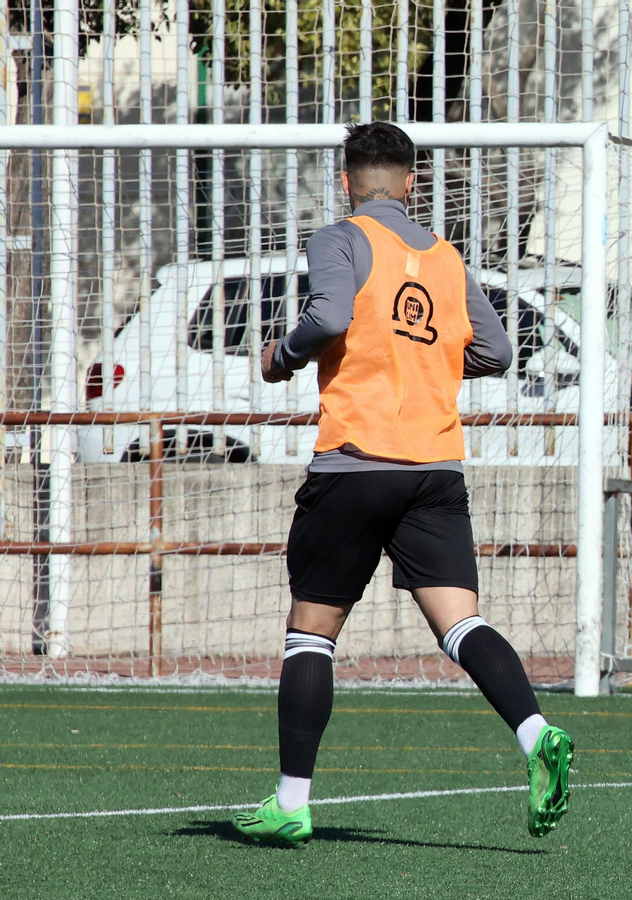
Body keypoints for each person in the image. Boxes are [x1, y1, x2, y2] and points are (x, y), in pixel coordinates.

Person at [231, 122, 573, 845]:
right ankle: (535, 731)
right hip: (435, 470)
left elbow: (327, 316)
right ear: (413, 182)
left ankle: (292, 801)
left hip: (357, 463)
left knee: (312, 632)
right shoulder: (446, 257)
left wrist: (280, 357)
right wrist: (432, 366)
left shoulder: (340, 237)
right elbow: (498, 351)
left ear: (346, 179)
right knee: (460, 623)